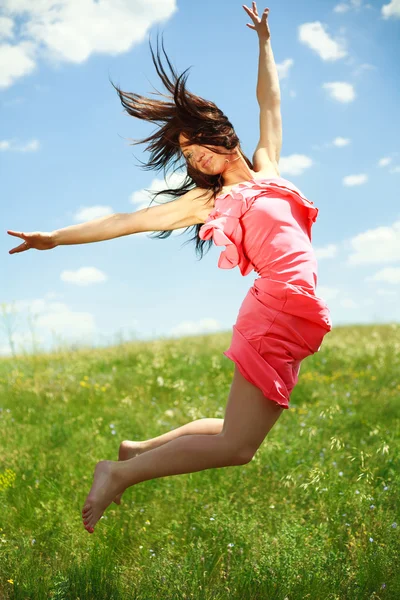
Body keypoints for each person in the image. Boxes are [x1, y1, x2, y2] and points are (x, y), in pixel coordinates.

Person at [7, 3, 332, 534]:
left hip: (299, 312)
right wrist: (56, 239)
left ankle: (137, 450)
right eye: (186, 156)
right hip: (273, 306)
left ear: (219, 131)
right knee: (238, 446)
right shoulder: (209, 203)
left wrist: (264, 42)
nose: (194, 160)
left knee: (234, 428)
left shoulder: (268, 169)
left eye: (195, 144)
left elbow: (269, 102)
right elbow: (126, 221)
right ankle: (118, 473)